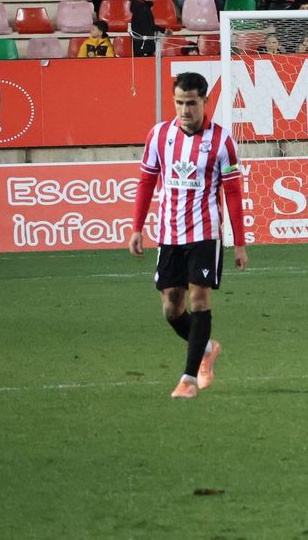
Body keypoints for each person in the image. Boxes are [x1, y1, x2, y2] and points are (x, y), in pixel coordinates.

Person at [127, 72, 247, 399]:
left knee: (199, 299)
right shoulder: (158, 135)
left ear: (205, 102)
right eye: (179, 102)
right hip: (169, 234)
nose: (184, 110)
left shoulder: (222, 142)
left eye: (191, 103)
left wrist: (239, 242)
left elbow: (233, 193)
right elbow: (146, 181)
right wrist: (137, 227)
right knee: (171, 308)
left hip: (206, 233)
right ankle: (206, 348)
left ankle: (188, 380)